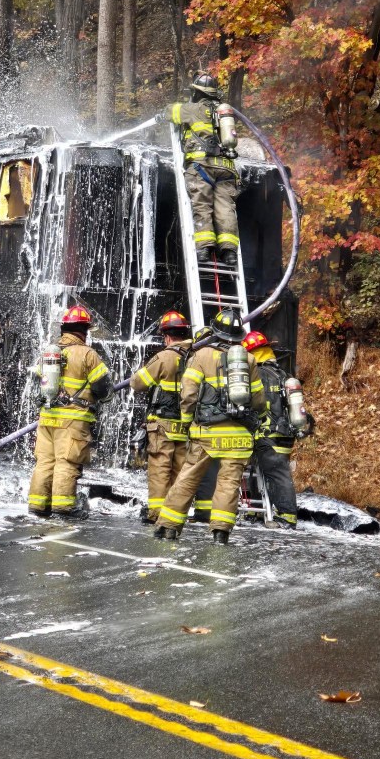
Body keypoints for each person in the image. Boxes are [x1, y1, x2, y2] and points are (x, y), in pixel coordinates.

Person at [153, 308, 265, 545]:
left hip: (208, 433)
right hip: (240, 436)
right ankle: (220, 533)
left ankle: (168, 527)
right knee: (228, 484)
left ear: (216, 332)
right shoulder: (250, 359)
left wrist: (186, 422)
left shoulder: (201, 355)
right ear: (238, 335)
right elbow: (257, 400)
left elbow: (189, 393)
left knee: (188, 478)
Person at [27, 305, 113, 519]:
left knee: (45, 461)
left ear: (64, 329)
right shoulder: (88, 354)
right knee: (67, 462)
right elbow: (102, 388)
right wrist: (105, 397)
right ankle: (64, 507)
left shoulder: (49, 352)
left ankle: (38, 505)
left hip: (47, 418)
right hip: (73, 420)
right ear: (83, 331)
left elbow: (38, 381)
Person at [162, 74, 240, 267]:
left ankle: (205, 248)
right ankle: (229, 252)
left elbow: (169, 111)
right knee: (226, 209)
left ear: (197, 92)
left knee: (202, 205)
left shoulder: (192, 109)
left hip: (201, 166)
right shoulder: (224, 114)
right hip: (226, 168)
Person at [242, 330, 312, 530]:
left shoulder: (259, 374)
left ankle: (287, 516)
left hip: (268, 435)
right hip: (285, 435)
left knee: (276, 474)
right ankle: (256, 511)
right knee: (265, 471)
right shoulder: (283, 374)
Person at [130, 311, 193, 525]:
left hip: (162, 425)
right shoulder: (195, 356)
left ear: (167, 336)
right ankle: (175, 515)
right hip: (186, 425)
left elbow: (137, 383)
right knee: (180, 472)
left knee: (159, 470)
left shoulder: (164, 357)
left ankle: (156, 514)